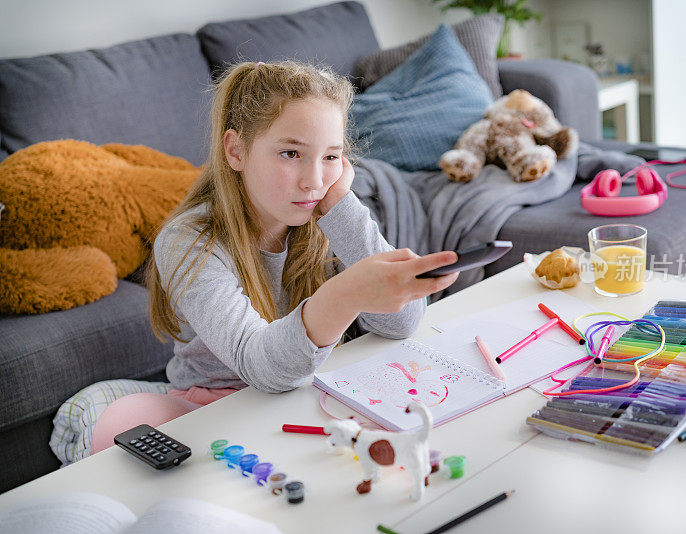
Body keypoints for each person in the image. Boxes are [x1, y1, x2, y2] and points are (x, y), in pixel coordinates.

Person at [89, 61, 458, 453]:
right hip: (218, 401)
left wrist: (342, 208)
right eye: (290, 153)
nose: (314, 181)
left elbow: (402, 323)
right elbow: (261, 367)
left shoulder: (328, 216)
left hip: (308, 391)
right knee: (121, 421)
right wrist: (346, 295)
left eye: (330, 157)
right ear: (236, 150)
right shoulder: (189, 241)